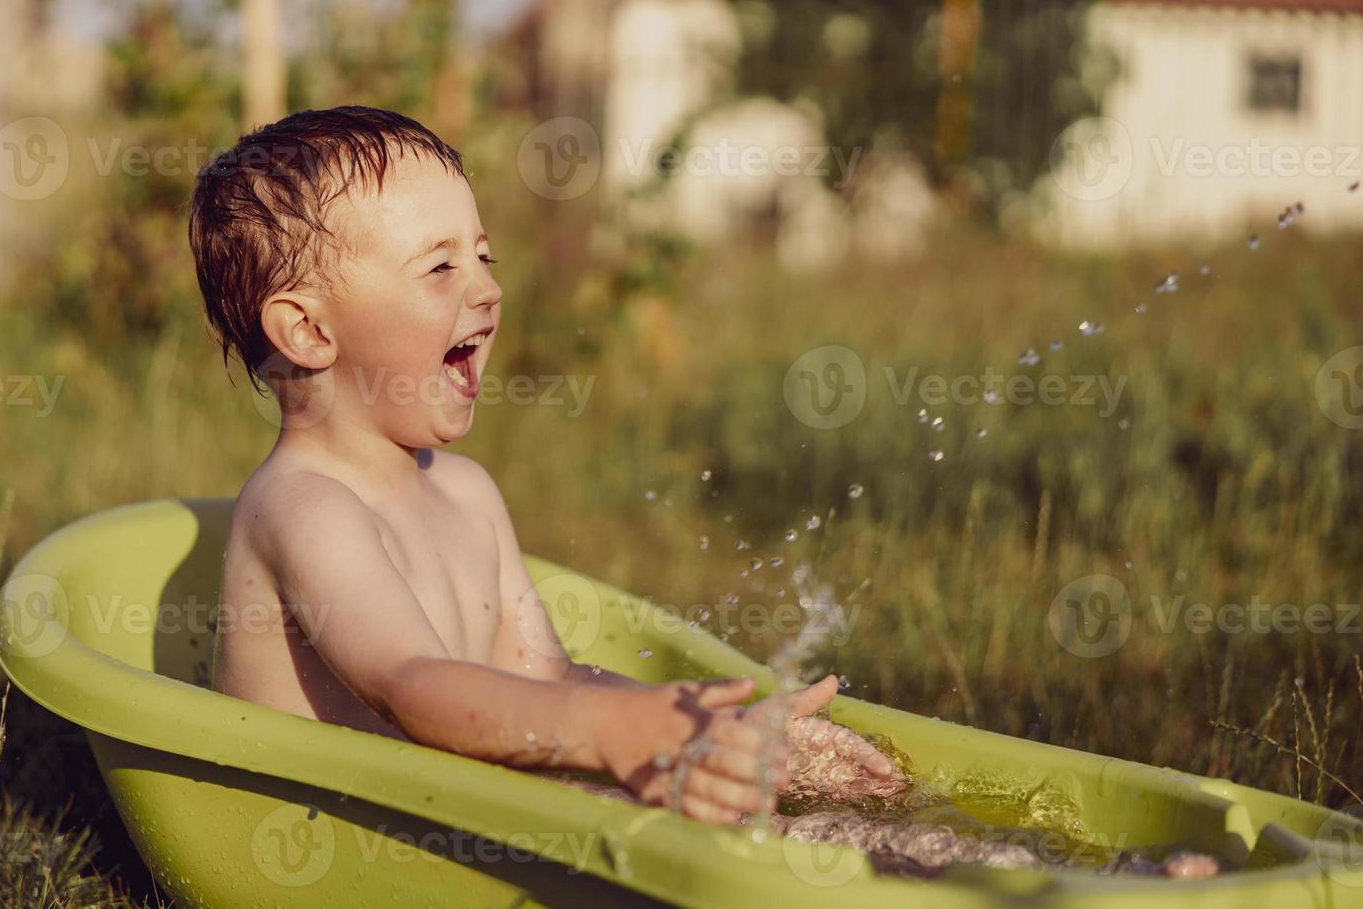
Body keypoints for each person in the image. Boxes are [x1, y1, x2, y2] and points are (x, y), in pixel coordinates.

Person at [188, 105, 904, 829]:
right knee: (787, 856)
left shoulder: (466, 491)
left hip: (460, 813)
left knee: (860, 838)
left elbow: (546, 679)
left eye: (483, 256)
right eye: (440, 266)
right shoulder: (305, 508)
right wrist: (609, 735)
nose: (488, 288)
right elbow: (412, 687)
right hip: (332, 841)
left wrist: (704, 727)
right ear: (309, 331)